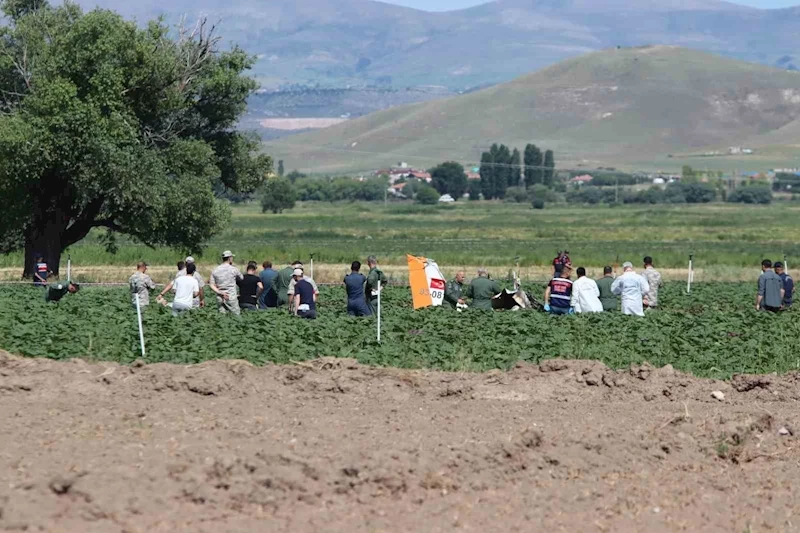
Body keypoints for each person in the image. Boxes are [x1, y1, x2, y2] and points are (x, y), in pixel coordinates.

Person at [209, 250, 243, 315]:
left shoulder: (215, 270)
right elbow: (241, 278)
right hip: (231, 296)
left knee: (222, 317)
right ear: (230, 258)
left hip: (220, 297)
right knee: (236, 316)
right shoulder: (233, 269)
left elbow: (211, 284)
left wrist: (220, 292)